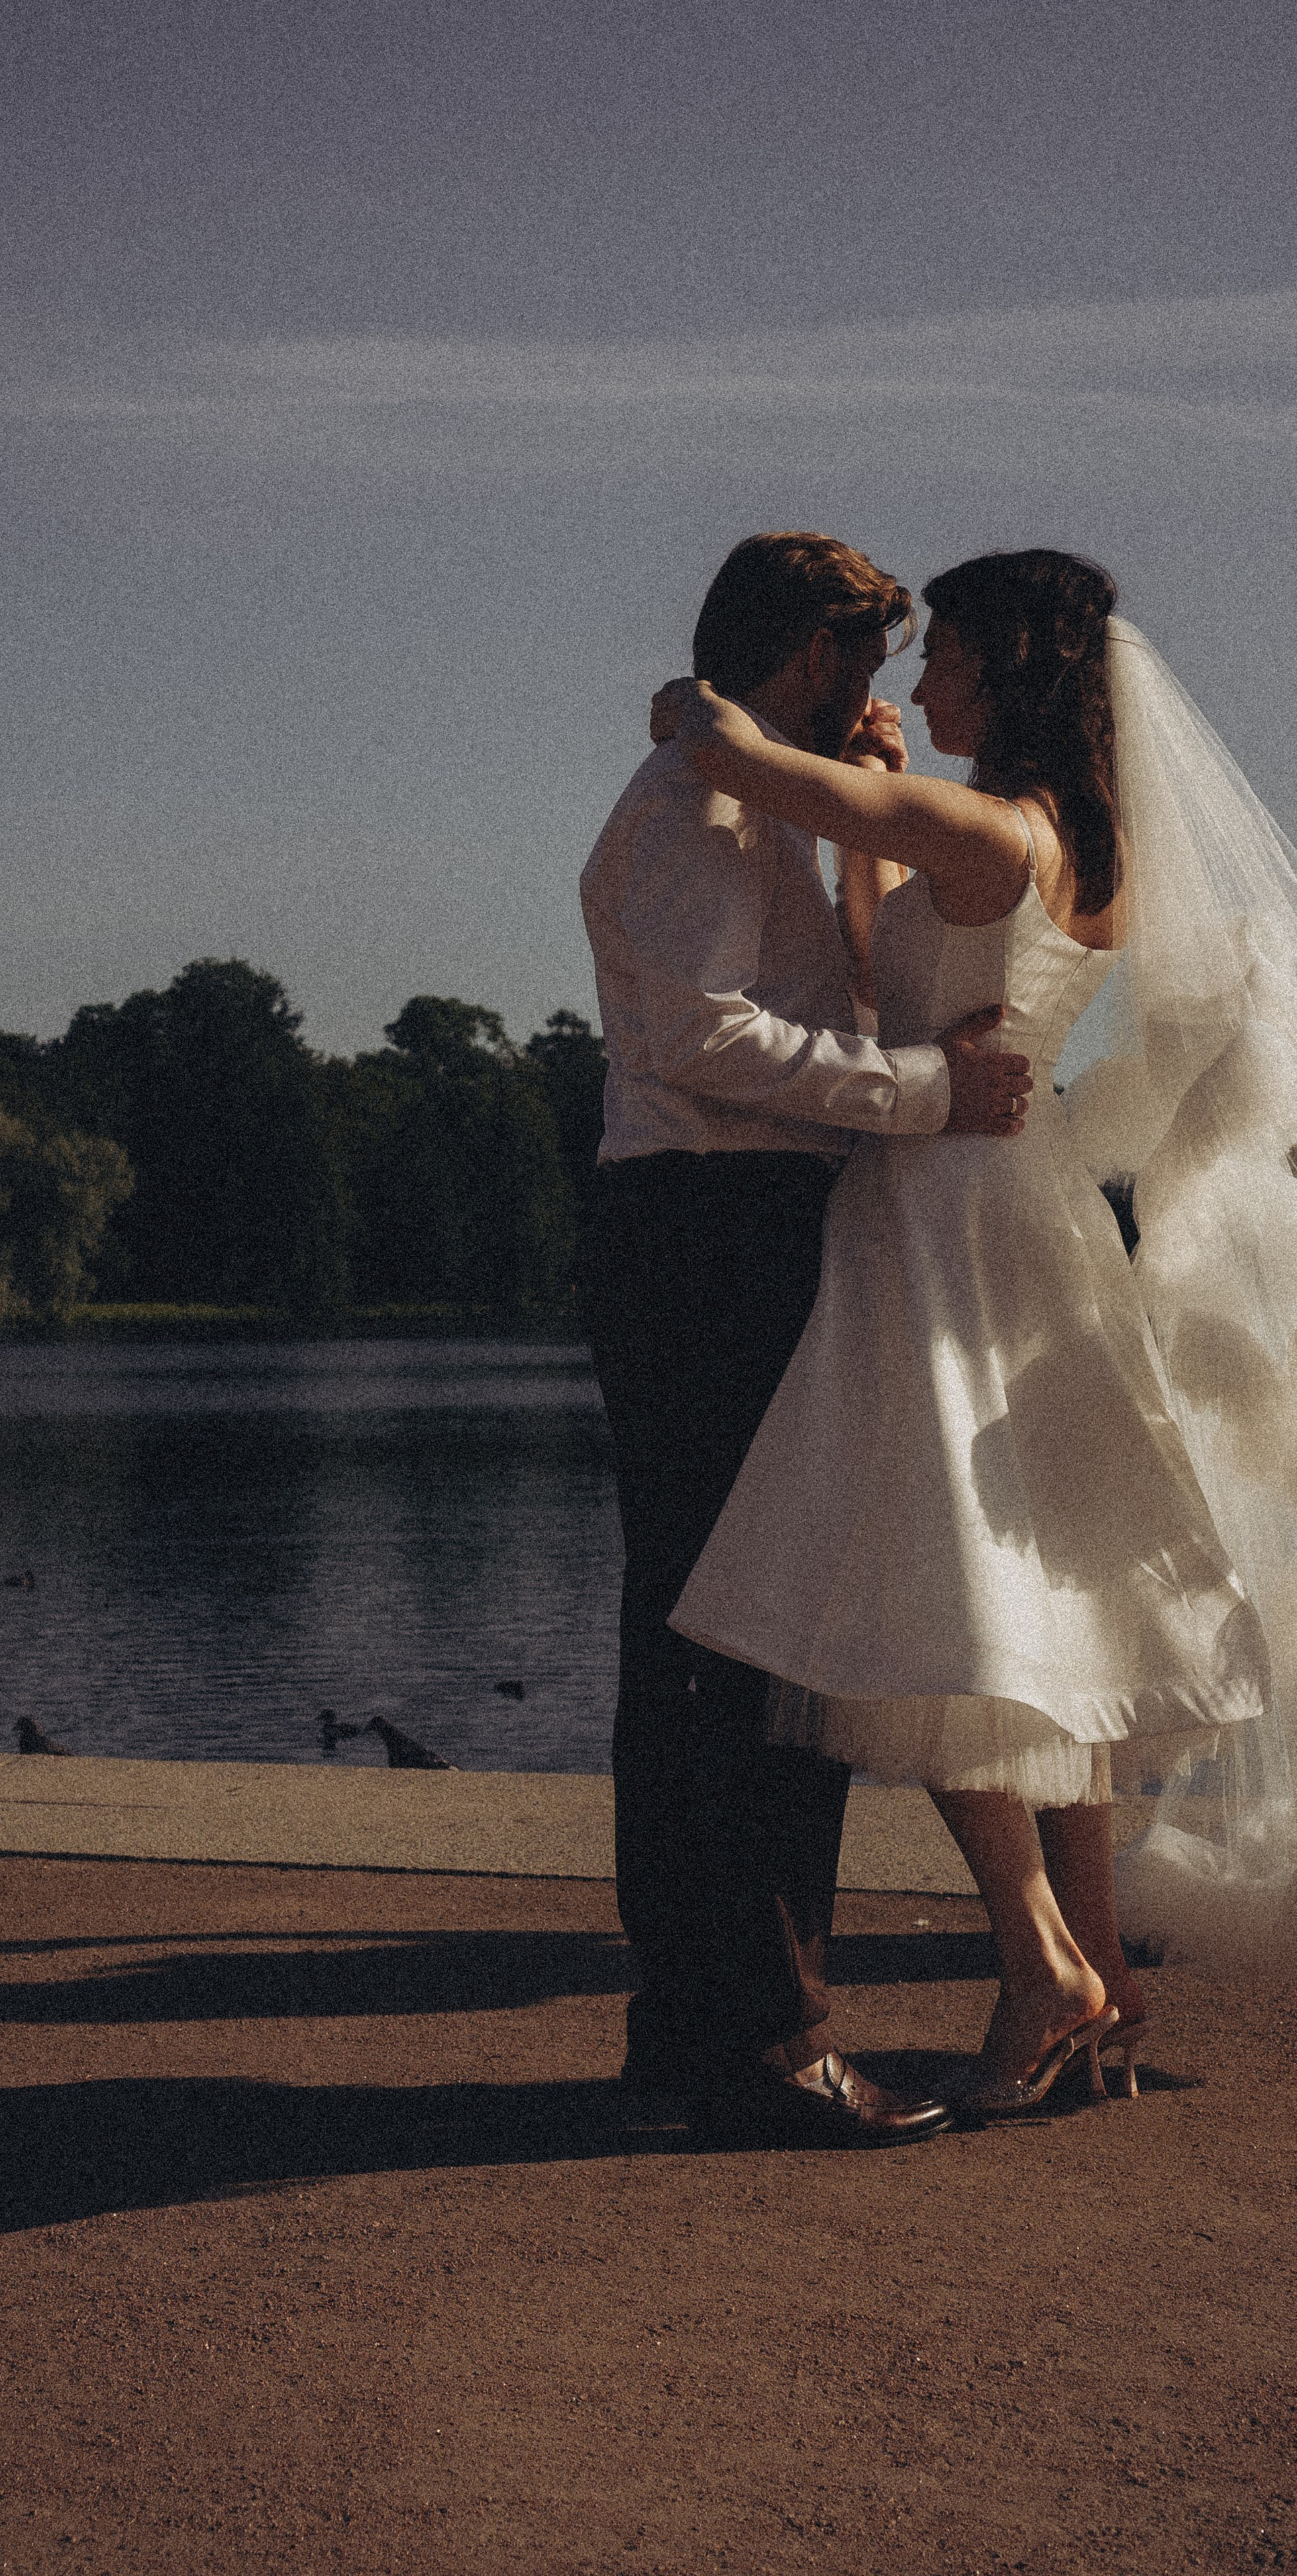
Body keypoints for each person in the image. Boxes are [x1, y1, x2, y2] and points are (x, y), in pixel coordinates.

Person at [664, 547, 1293, 2110]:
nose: (913, 683)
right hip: (1031, 1213)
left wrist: (703, 698)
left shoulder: (972, 825)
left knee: (928, 1599)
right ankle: (1103, 1979)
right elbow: (903, 987)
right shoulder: (1077, 842)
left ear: (1006, 669)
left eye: (939, 655)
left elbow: (736, 755)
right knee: (1038, 1620)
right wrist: (877, 826)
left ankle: (1038, 1964)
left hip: (933, 1223)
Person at [579, 532, 1035, 2146]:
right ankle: (758, 2043)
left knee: (737, 1646)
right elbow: (708, 1043)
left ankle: (708, 2036)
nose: (870, 692)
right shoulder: (698, 810)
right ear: (787, 652)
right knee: (731, 1652)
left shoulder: (750, 798)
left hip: (740, 1229)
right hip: (707, 1228)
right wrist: (933, 1096)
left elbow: (820, 1000)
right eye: (849, 659)